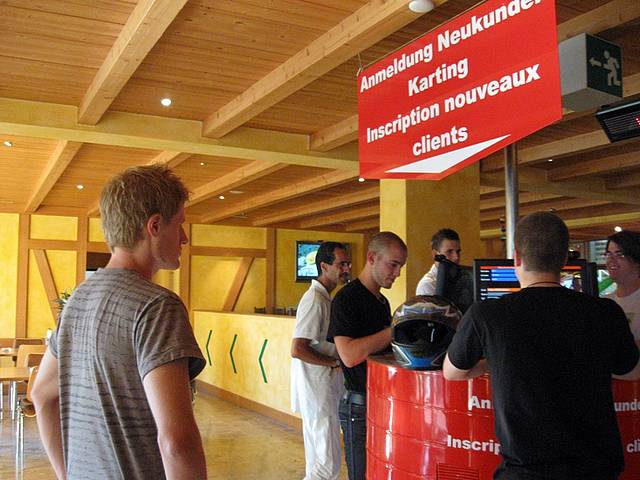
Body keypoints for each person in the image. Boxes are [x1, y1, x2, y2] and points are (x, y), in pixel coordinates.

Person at [32, 165, 207, 479]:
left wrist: (67, 474)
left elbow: (42, 395)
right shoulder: (157, 306)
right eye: (179, 224)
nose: (184, 237)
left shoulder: (77, 300)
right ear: (155, 226)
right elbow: (177, 442)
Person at [443, 212, 640, 480]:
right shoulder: (606, 312)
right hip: (597, 470)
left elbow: (452, 372)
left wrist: (494, 360)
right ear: (564, 259)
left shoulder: (486, 314)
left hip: (525, 472)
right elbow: (631, 370)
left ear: (517, 258)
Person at [327, 231, 408, 480]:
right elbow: (349, 355)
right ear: (372, 258)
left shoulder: (382, 302)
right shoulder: (346, 299)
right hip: (359, 408)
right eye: (393, 265)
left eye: (400, 267)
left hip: (381, 402)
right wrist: (393, 331)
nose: (397, 273)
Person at [291, 241, 351, 480]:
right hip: (318, 391)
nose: (346, 269)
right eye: (341, 264)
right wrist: (334, 363)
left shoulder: (325, 299)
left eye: (348, 264)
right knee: (327, 464)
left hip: (322, 391)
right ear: (324, 266)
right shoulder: (315, 300)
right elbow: (298, 348)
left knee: (319, 461)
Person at [605, 230, 640, 343]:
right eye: (609, 254)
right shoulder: (605, 302)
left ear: (636, 260)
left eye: (619, 255)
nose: (611, 260)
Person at [416, 228, 461, 295]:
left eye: (458, 251)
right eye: (449, 251)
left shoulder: (462, 280)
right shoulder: (428, 285)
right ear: (435, 254)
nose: (456, 257)